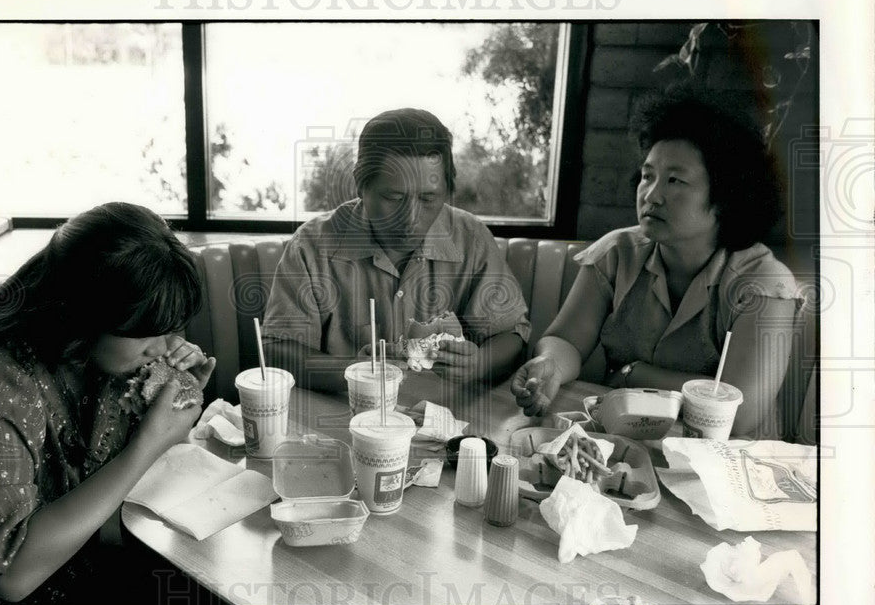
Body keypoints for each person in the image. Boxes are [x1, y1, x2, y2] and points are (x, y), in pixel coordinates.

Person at [0, 202, 216, 605]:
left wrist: (161, 412)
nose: (165, 347)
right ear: (82, 312)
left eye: (170, 329)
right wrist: (148, 446)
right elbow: (9, 579)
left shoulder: (96, 357)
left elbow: (103, 484)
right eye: (146, 333)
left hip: (102, 566)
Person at [512, 85, 800, 438]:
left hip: (729, 465)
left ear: (726, 195)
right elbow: (567, 340)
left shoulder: (763, 283)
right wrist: (550, 366)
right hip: (634, 440)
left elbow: (739, 413)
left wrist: (634, 375)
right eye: (648, 175)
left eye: (675, 180)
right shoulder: (617, 252)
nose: (651, 194)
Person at [262, 107, 531, 392]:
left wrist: (479, 363)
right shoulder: (311, 245)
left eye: (428, 199)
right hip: (342, 419)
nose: (411, 219)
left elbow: (513, 335)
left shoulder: (470, 237)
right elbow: (277, 349)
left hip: (450, 422)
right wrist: (354, 371)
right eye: (393, 197)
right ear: (360, 187)